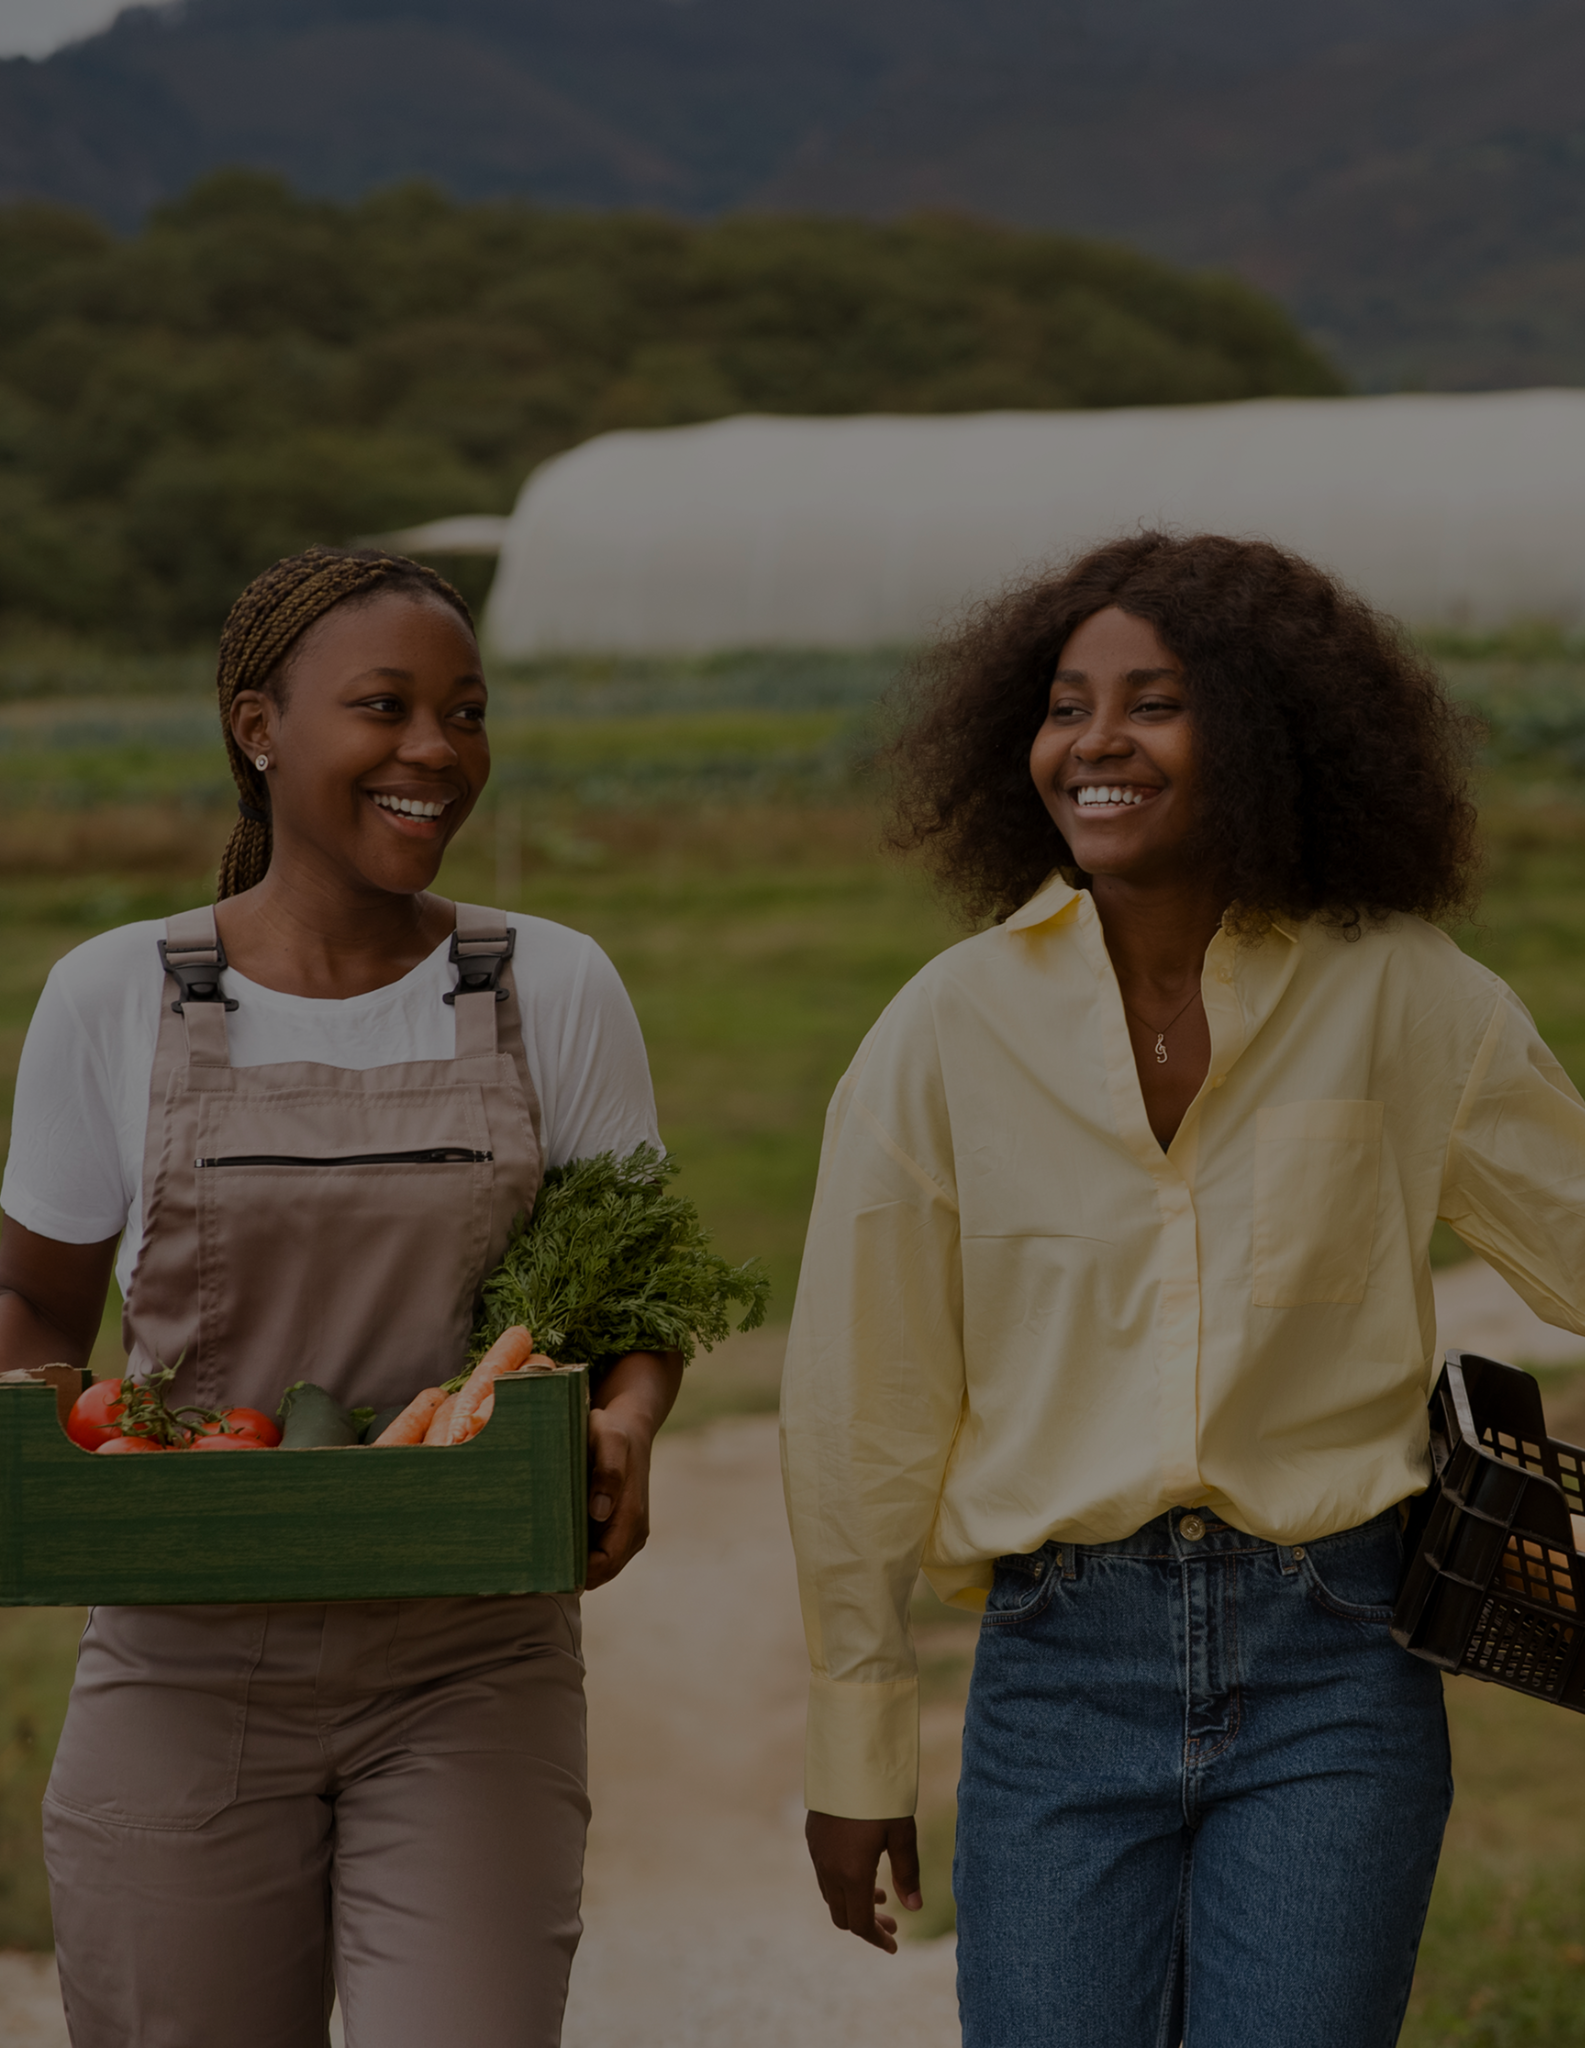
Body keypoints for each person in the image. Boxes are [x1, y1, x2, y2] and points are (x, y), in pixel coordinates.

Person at [781, 532, 1585, 2045]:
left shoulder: (1406, 994)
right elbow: (853, 1417)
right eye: (1066, 703)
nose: (1095, 741)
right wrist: (857, 1747)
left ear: (1270, 732)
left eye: (1153, 702)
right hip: (1056, 1680)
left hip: (1336, 1671)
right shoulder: (942, 1032)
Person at [0, 545, 681, 2048]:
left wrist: (629, 1423)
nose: (435, 751)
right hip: (181, 1655)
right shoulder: (116, 993)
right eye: (385, 706)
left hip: (470, 1658)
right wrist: (55, 1444)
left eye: (467, 712)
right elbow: (34, 1305)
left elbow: (642, 1302)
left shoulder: (549, 985)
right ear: (260, 727)